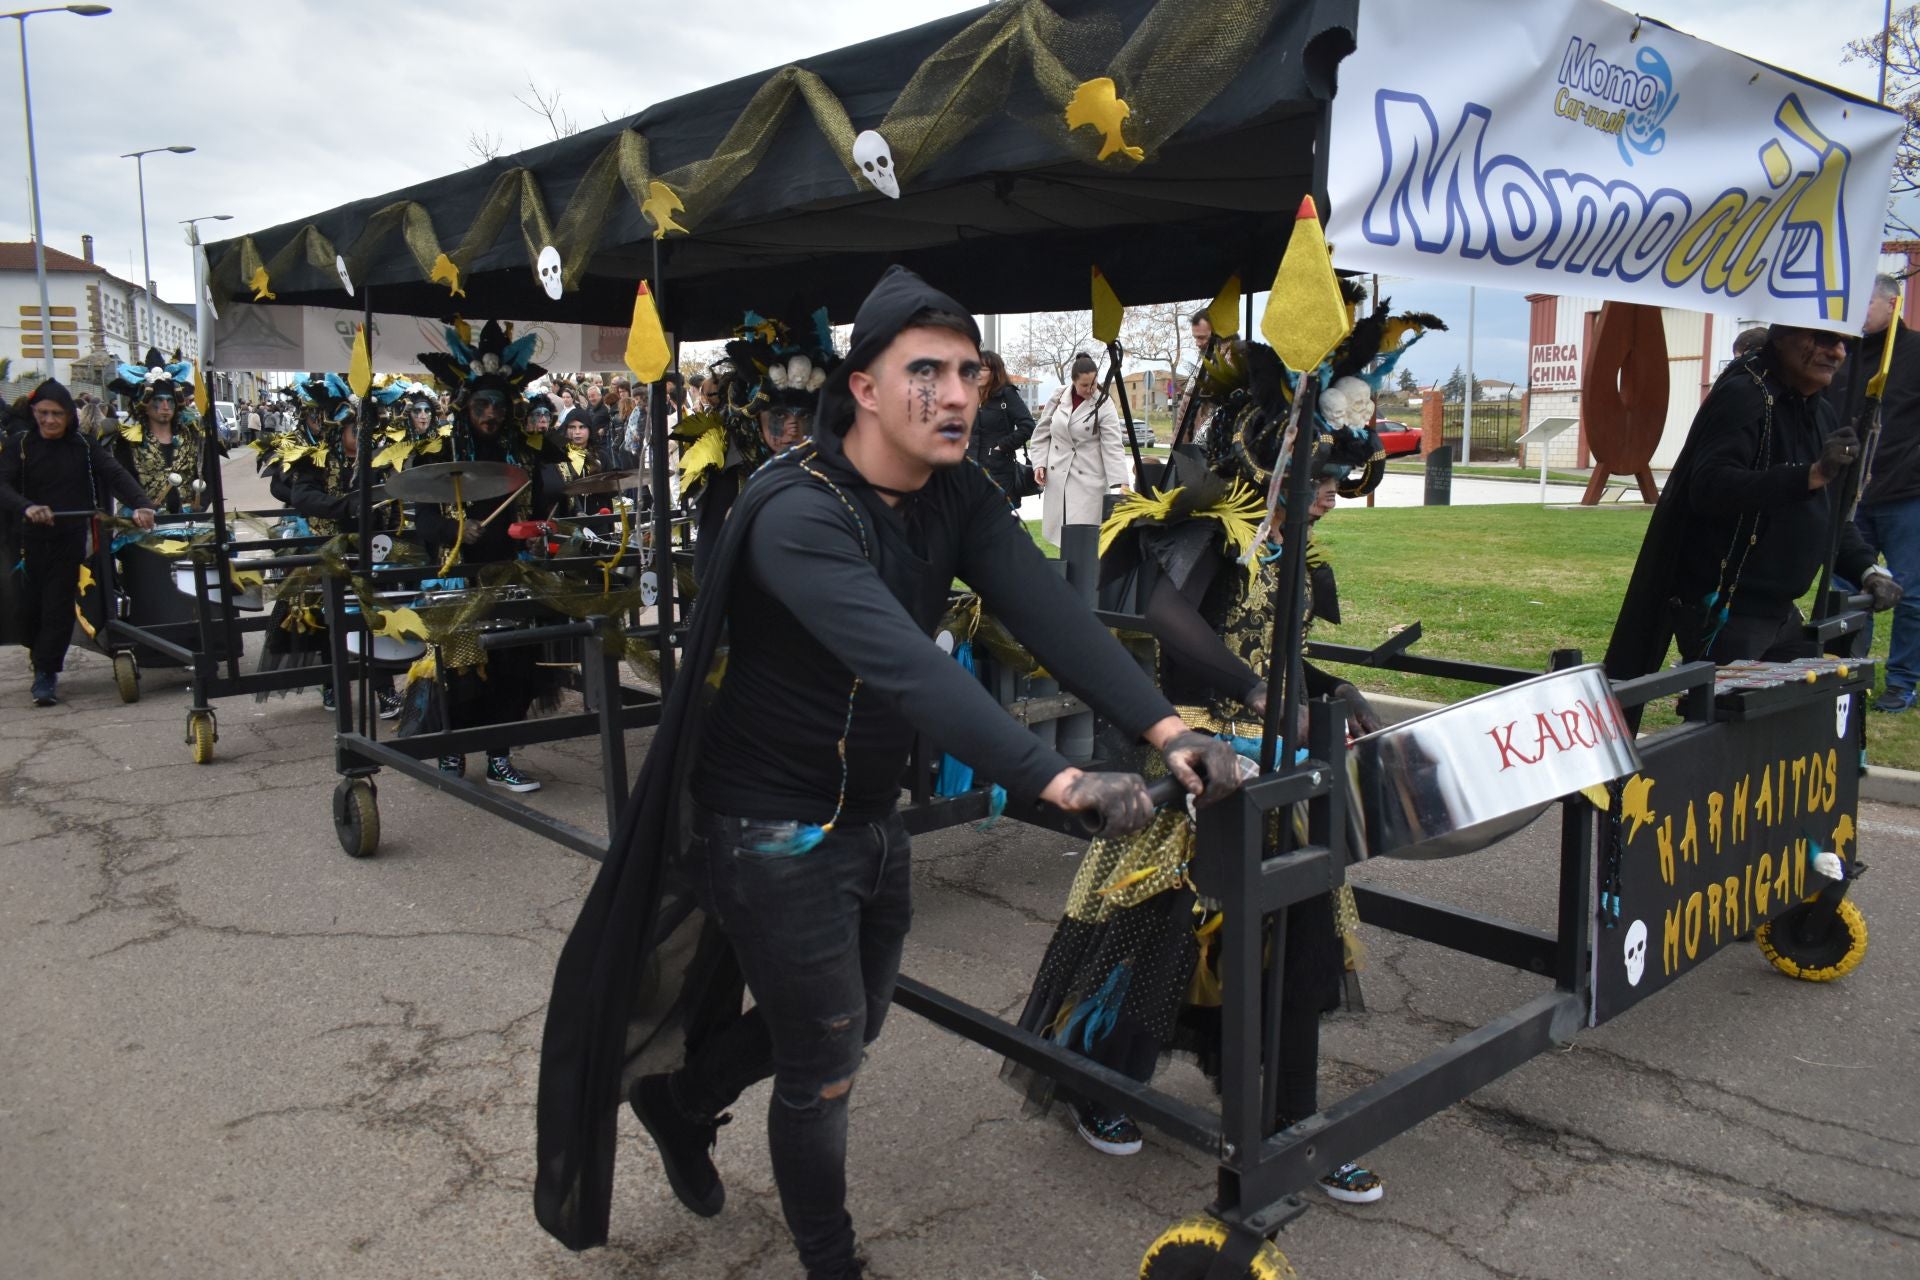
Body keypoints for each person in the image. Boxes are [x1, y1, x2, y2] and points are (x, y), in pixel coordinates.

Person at [534, 266, 1245, 1279]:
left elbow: (1049, 611)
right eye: (927, 371)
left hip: (867, 814)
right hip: (770, 828)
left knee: (853, 1020)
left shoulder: (957, 493)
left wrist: (1167, 727)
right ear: (863, 386)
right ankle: (833, 1263)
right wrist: (1058, 778)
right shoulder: (797, 512)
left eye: (969, 371)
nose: (957, 393)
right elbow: (904, 663)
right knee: (824, 1060)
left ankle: (683, 1100)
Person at [1006, 314, 1422, 1204]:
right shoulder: (1213, 527)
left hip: (1282, 772)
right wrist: (1258, 692)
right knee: (1155, 935)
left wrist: (1325, 696)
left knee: (1301, 944)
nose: (1328, 499)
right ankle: (1102, 1082)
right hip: (1199, 757)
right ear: (1274, 462)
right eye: (1319, 480)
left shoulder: (1288, 550)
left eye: (1340, 483)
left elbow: (1279, 657)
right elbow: (1166, 617)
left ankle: (1292, 1120)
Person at [1606, 323, 1903, 690]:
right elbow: (1710, 487)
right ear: (1783, 338)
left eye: (1843, 343)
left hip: (1779, 612)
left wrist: (1867, 570)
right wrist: (1808, 475)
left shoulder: (1819, 411)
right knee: (1730, 732)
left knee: (1787, 727)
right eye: (1824, 339)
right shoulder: (1745, 395)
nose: (1838, 352)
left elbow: (1829, 516)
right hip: (1726, 609)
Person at [406, 319, 557, 792]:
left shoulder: (527, 453)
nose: (490, 415)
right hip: (458, 581)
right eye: (481, 405)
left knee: (514, 670)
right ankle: (452, 747)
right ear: (463, 406)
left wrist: (539, 537)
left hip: (512, 575)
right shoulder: (439, 452)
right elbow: (423, 523)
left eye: (498, 405)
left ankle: (499, 756)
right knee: (462, 673)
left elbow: (554, 508)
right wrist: (457, 528)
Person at [0, 379, 155, 706]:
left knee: (57, 606)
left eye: (57, 413)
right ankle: (37, 652)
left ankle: (46, 673)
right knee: (26, 610)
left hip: (68, 539)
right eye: (43, 413)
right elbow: (3, 486)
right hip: (26, 542)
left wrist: (142, 504)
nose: (50, 420)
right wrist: (27, 507)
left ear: (69, 415)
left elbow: (114, 475)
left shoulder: (84, 446)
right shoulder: (20, 445)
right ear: (34, 412)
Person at [678, 311, 838, 581]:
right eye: (779, 416)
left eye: (805, 417)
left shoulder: (837, 467)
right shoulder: (730, 477)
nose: (793, 429)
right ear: (755, 419)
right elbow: (708, 571)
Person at [1824, 274, 1920, 711]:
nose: (1857, 314)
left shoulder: (1915, 352)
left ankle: (1902, 681)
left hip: (1908, 494)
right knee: (1843, 588)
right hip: (1854, 495)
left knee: (1911, 593)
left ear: (1891, 305)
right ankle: (1844, 673)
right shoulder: (1844, 355)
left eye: (1865, 304)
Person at [1030, 354, 1130, 545]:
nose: (1090, 389)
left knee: (1083, 542)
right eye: (1084, 385)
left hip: (1088, 484)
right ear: (1073, 381)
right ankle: (1064, 575)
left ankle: (1083, 575)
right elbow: (1041, 433)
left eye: (1093, 383)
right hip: (1058, 480)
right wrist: (1039, 464)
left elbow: (1113, 446)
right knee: (1062, 541)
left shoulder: (1104, 403)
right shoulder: (1058, 396)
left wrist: (1121, 483)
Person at [107, 348, 212, 515]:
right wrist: (140, 506)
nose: (165, 406)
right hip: (145, 525)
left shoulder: (193, 436)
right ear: (144, 405)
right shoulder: (128, 440)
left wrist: (201, 505)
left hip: (189, 522)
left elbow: (209, 475)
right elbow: (119, 482)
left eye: (170, 401)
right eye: (158, 400)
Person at [969, 349, 1036, 504]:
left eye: (983, 369)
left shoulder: (1006, 395)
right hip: (971, 472)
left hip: (999, 472)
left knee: (998, 523)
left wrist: (1002, 446)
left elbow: (1028, 426)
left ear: (995, 372)